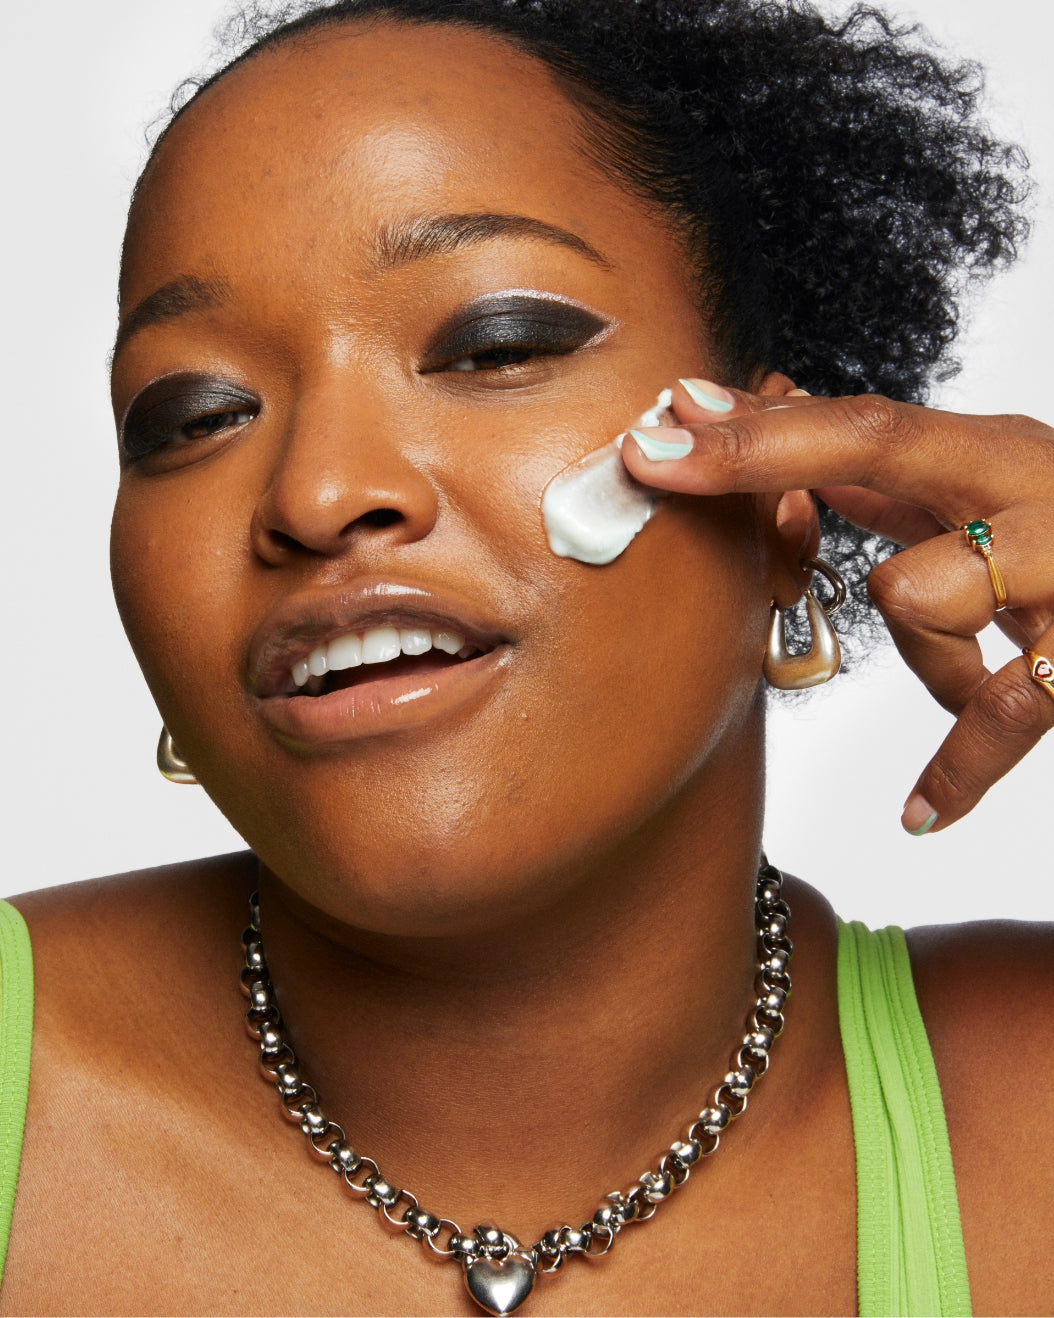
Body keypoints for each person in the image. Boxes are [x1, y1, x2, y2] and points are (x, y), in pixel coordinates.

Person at [1, 0, 1052, 1312]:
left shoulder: (1027, 1110)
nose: (318, 493)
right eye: (195, 414)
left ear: (783, 510)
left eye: (495, 345)